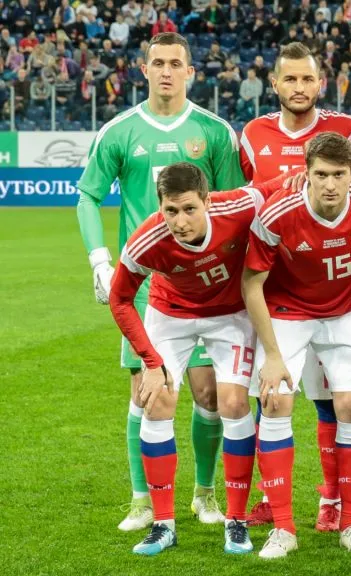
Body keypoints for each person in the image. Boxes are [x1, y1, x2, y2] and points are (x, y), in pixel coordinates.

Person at [76, 31, 246, 534]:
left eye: (176, 63)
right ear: (144, 69)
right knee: (145, 393)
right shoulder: (119, 131)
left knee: (209, 395)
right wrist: (100, 260)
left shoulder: (214, 132)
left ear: (190, 72)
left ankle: (204, 494)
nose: (167, 71)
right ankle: (142, 501)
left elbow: (235, 204)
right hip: (146, 285)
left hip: (206, 287)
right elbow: (88, 196)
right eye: (158, 63)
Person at [242, 132, 351, 559]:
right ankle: (283, 529)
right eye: (320, 174)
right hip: (288, 314)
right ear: (306, 173)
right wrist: (272, 355)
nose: (330, 184)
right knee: (275, 403)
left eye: (339, 174)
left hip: (346, 314)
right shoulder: (278, 212)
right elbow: (251, 283)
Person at [238, 41, 351, 531]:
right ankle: (270, 501)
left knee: (335, 400)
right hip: (280, 296)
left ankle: (332, 500)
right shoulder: (253, 134)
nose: (299, 87)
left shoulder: (348, 128)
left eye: (307, 79)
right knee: (271, 397)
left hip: (339, 294)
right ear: (275, 83)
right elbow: (248, 199)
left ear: (321, 83)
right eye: (290, 78)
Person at [108, 163, 285, 555]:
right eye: (171, 211)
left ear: (207, 201)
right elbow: (119, 299)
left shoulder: (237, 206)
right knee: (157, 401)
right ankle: (163, 525)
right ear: (160, 206)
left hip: (230, 315)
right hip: (170, 315)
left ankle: (236, 522)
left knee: (234, 403)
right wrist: (151, 362)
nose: (180, 221)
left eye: (189, 209)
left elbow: (279, 185)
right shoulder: (147, 240)